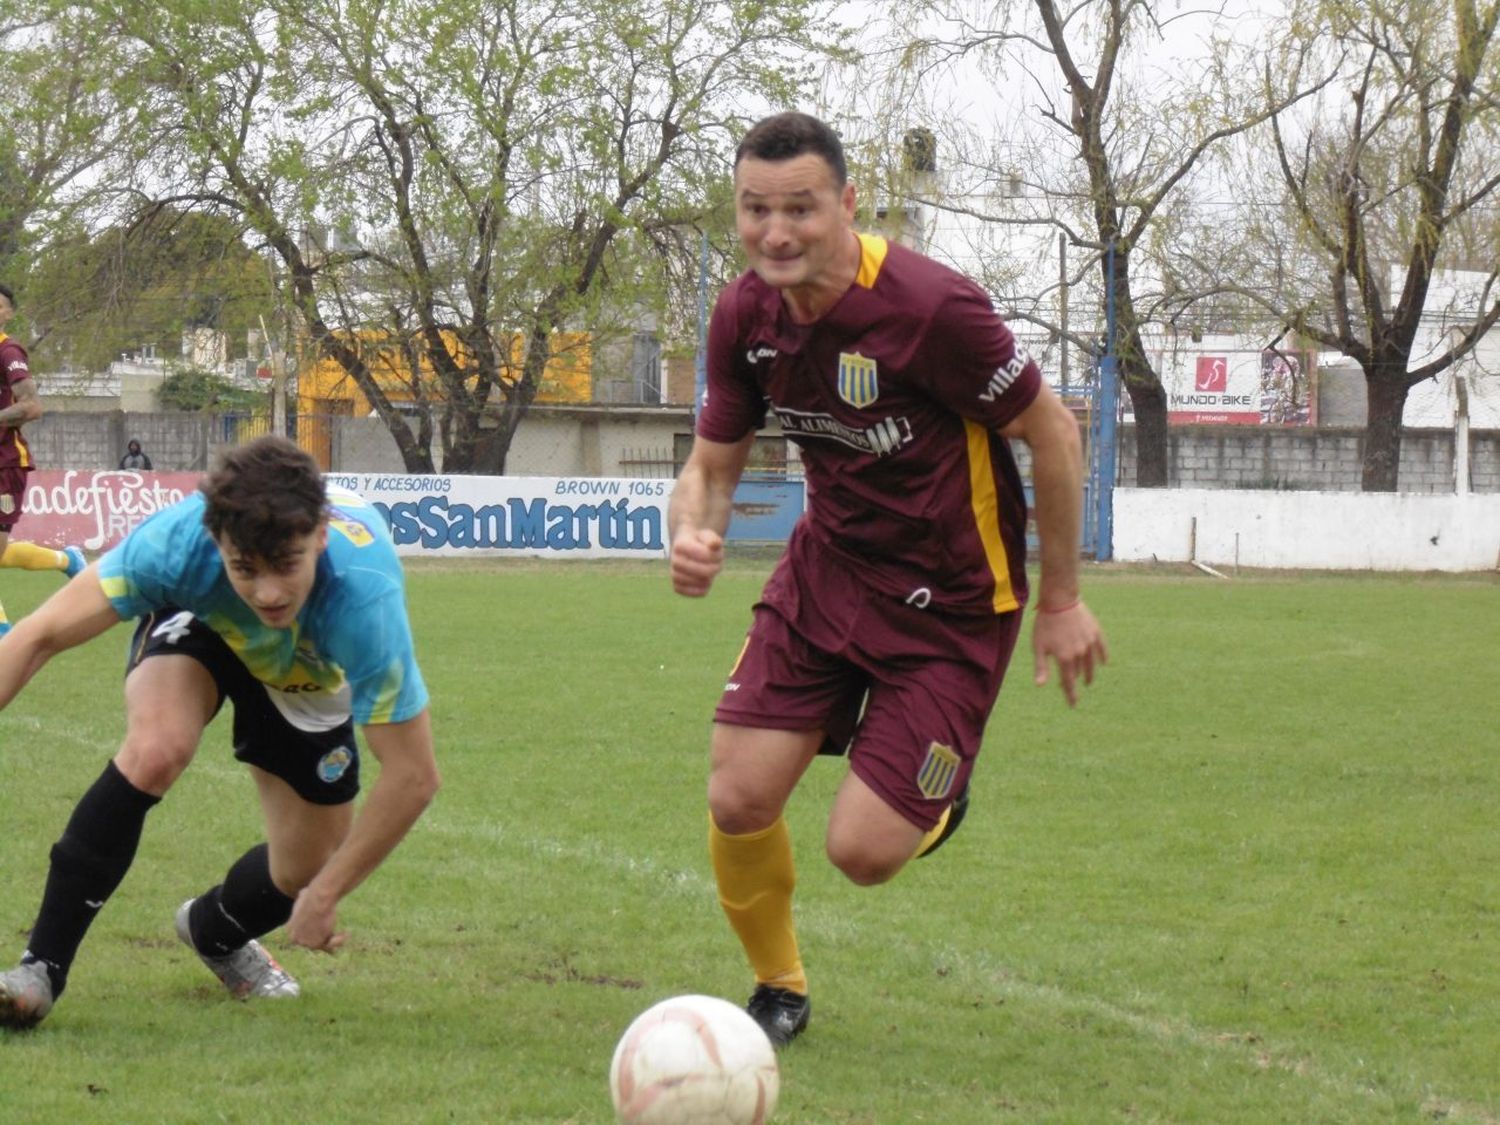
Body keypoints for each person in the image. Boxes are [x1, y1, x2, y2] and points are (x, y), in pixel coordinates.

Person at [668, 112, 1108, 1047]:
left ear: (846, 204)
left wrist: (1061, 599)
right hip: (826, 576)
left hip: (952, 607)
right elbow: (711, 465)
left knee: (863, 853)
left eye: (800, 208)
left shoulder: (932, 309)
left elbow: (1055, 434)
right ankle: (777, 987)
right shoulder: (744, 313)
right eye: (755, 210)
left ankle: (932, 789)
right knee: (737, 795)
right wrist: (693, 532)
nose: (776, 232)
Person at [0, 435, 439, 1029]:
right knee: (157, 750)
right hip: (203, 621)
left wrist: (326, 893)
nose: (268, 592)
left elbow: (413, 776)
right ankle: (41, 968)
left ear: (321, 536)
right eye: (245, 567)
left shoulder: (364, 598)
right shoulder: (177, 543)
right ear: (218, 543)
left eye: (287, 565)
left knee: (306, 868)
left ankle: (214, 930)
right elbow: (36, 635)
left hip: (304, 672)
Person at [0, 282, 86, 636]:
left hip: (4, 464)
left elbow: (32, 407)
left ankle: (6, 636)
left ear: (8, 312)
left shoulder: (8, 351)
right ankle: (66, 560)